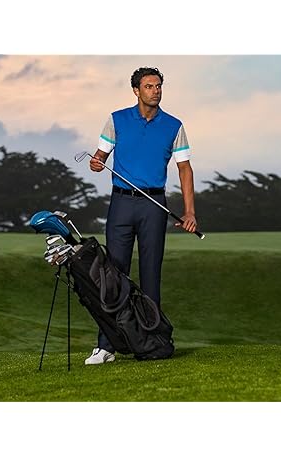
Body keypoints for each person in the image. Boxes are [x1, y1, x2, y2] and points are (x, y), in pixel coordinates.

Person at [84, 66, 198, 365]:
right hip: (121, 203)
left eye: (158, 86)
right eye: (149, 86)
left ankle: (153, 342)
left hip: (154, 205)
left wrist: (189, 211)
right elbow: (100, 157)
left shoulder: (174, 125)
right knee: (113, 275)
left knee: (151, 275)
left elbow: (184, 169)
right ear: (136, 90)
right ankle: (106, 346)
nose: (155, 91)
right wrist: (96, 163)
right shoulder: (116, 119)